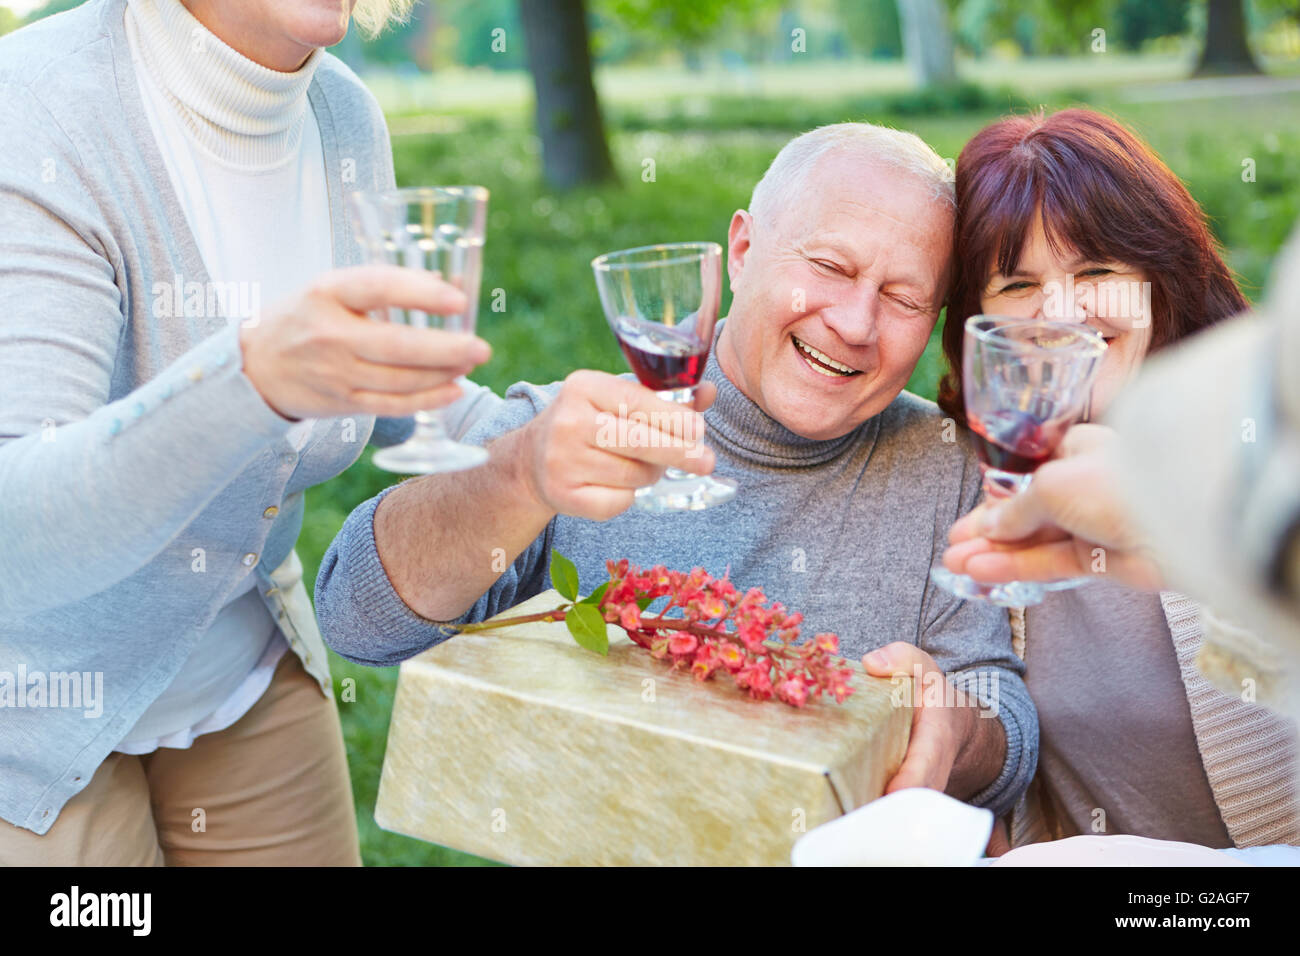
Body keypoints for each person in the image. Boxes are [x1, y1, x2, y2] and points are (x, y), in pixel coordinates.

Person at [316, 122, 1040, 820]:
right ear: (744, 249)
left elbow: (1000, 716)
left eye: (903, 298)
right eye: (829, 267)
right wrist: (514, 478)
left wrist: (954, 730)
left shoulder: (944, 465)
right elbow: (355, 619)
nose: (855, 323)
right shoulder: (572, 430)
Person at [0, 0, 490, 865]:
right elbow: (22, 530)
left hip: (244, 665)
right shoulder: (35, 107)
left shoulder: (341, 113)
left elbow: (402, 387)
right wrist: (251, 379)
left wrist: (545, 432)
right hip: (32, 716)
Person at [935, 108, 1299, 851]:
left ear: (1160, 279)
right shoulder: (970, 486)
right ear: (975, 321)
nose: (1062, 314)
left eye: (1097, 270)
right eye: (1017, 283)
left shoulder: (1269, 440)